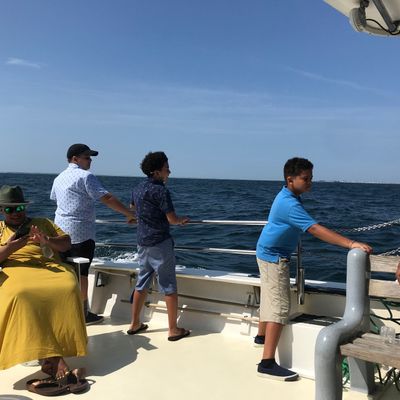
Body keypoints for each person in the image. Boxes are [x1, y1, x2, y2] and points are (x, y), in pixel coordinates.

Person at [255, 157, 372, 381]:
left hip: (267, 253)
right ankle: (267, 363)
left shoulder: (288, 196)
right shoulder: (290, 204)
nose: (310, 182)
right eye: (305, 178)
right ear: (290, 179)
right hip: (274, 257)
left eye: (311, 178)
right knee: (279, 307)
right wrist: (350, 243)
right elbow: (315, 229)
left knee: (270, 299)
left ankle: (261, 337)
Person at [0, 185, 87, 388]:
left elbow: (66, 244)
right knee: (21, 292)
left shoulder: (43, 223)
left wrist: (46, 240)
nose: (16, 213)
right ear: (2, 210)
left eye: (19, 208)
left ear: (25, 207)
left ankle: (52, 356)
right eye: (10, 209)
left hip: (49, 266)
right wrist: (13, 246)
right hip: (17, 269)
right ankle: (53, 359)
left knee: (68, 286)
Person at [50, 143, 136, 325]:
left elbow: (55, 199)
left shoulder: (58, 178)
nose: (90, 161)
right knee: (82, 274)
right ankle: (83, 314)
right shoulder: (85, 176)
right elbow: (107, 198)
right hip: (81, 234)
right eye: (87, 157)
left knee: (66, 273)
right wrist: (129, 214)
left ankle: (64, 311)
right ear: (75, 159)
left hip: (59, 234)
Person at [128, 151, 191, 341]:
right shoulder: (161, 190)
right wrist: (181, 220)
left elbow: (132, 209)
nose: (169, 172)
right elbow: (172, 219)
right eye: (166, 169)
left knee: (142, 283)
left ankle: (134, 323)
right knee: (168, 284)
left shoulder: (137, 188)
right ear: (157, 172)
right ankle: (173, 329)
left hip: (142, 242)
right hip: (160, 243)